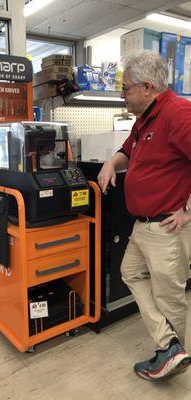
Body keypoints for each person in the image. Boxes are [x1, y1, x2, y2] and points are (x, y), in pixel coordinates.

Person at [97, 50, 191, 380]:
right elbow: (128, 151)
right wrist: (111, 163)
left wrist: (187, 211)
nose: (123, 95)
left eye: (126, 88)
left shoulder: (179, 114)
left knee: (169, 297)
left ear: (147, 86)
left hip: (167, 225)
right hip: (143, 225)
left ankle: (174, 357)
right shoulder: (145, 119)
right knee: (131, 272)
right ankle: (169, 347)